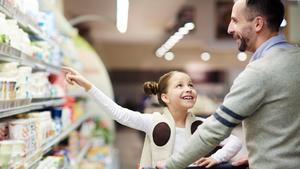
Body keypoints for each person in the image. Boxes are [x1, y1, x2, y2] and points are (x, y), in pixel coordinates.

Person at [156, 0, 300, 169]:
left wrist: (170, 164)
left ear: (258, 24)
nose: (230, 28)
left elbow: (214, 130)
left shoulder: (258, 73)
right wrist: (263, 154)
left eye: (236, 21)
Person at [62, 68, 242, 168]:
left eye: (190, 85)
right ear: (165, 97)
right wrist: (87, 85)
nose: (188, 89)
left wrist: (216, 158)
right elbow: (118, 113)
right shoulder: (152, 122)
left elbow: (235, 142)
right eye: (179, 86)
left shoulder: (202, 125)